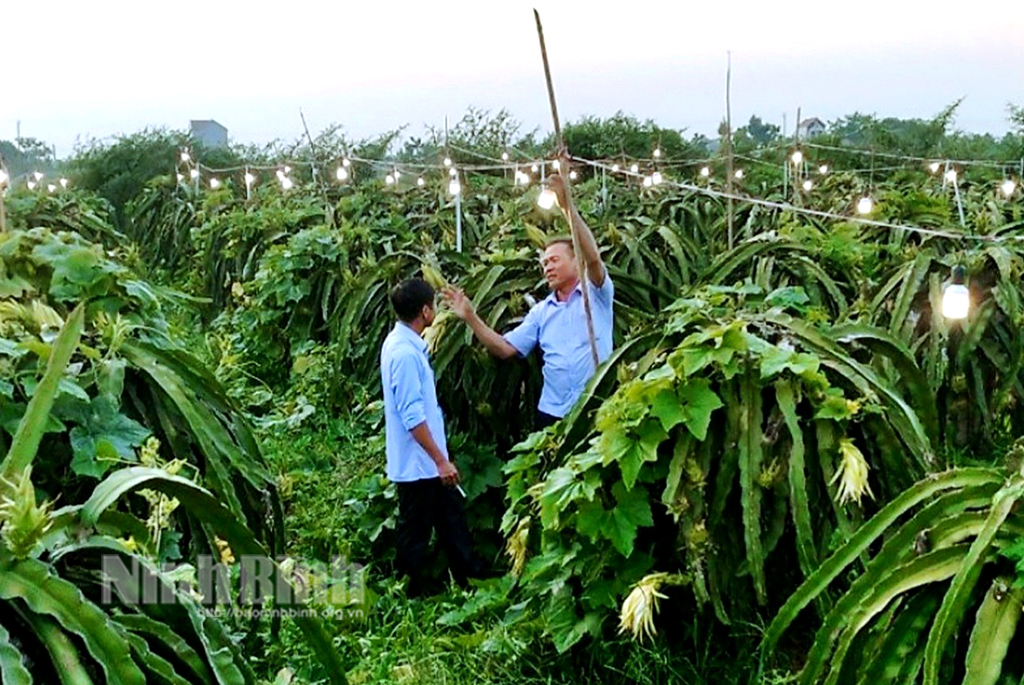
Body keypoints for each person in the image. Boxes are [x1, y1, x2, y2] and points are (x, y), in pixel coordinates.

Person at [444, 165, 614, 429]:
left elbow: (592, 256)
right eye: (544, 263)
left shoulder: (597, 294)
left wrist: (567, 207)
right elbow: (504, 349)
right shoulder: (541, 312)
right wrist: (470, 317)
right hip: (552, 412)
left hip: (599, 406)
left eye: (555, 260)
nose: (547, 267)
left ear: (576, 262)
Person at [381, 277, 477, 597]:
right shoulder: (405, 354)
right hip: (421, 464)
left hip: (427, 463)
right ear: (425, 311)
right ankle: (409, 591)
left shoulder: (403, 344)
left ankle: (466, 581)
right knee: (415, 530)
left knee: (450, 519)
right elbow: (412, 416)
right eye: (433, 305)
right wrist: (441, 460)